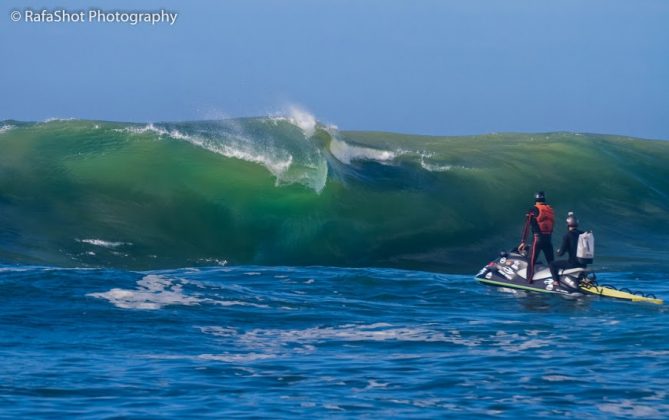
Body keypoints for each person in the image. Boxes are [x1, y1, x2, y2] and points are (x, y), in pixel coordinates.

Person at [518, 191, 555, 283]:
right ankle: (556, 280)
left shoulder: (533, 209)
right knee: (551, 262)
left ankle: (528, 281)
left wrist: (523, 241)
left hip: (537, 239)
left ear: (535, 199)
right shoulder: (550, 209)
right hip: (548, 239)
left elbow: (527, 226)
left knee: (531, 261)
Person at [549, 212, 586, 288]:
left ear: (568, 225)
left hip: (572, 264)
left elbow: (560, 253)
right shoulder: (583, 233)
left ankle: (555, 281)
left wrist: (558, 251)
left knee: (552, 264)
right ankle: (584, 279)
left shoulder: (567, 235)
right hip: (583, 264)